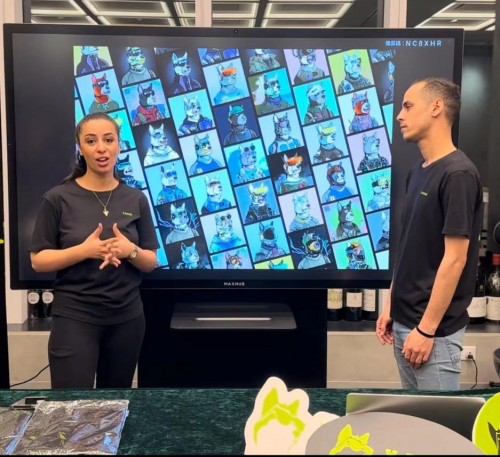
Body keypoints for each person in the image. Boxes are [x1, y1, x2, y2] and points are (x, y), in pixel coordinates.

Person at [30, 112, 159, 389]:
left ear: (119, 146)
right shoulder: (57, 199)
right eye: (91, 141)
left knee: (115, 404)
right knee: (71, 406)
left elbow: (150, 261)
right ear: (80, 148)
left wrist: (130, 250)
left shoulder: (136, 198)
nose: (101, 148)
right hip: (75, 317)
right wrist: (85, 250)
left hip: (127, 319)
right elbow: (38, 261)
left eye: (108, 140)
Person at [376, 78, 483, 390]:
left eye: (408, 106)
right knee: (413, 417)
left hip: (432, 334)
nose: (400, 115)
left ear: (436, 107)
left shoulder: (458, 174)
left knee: (438, 419)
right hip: (405, 323)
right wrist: (391, 305)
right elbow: (409, 246)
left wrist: (426, 330)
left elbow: (455, 260)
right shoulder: (418, 170)